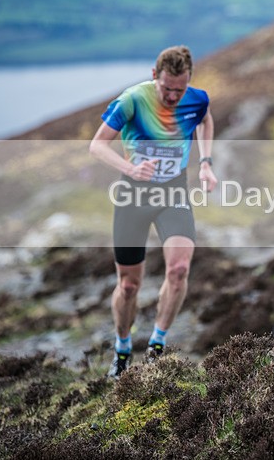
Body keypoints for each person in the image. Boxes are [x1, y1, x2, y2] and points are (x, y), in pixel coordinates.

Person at [89, 45, 218, 378]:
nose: (174, 96)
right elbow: (97, 145)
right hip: (133, 195)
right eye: (167, 89)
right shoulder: (132, 99)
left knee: (178, 270)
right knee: (129, 285)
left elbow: (205, 120)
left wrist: (205, 163)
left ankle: (157, 345)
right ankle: (122, 347)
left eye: (180, 89)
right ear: (153, 76)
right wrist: (130, 169)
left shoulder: (196, 98)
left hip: (173, 191)